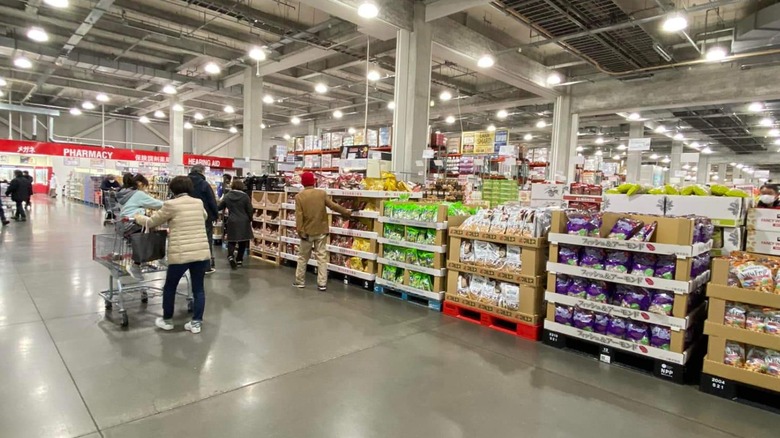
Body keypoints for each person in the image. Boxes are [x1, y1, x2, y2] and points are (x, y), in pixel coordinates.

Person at [134, 176, 210, 334]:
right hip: (200, 252)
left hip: (180, 253)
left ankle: (167, 320)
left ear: (172, 189)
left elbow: (152, 222)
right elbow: (205, 216)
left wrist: (138, 217)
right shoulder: (198, 202)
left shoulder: (171, 204)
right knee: (198, 289)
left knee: (170, 287)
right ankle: (196, 323)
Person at [294, 172, 352, 291]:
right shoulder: (321, 193)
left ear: (302, 183)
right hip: (321, 230)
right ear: (314, 181)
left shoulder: (299, 197)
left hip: (307, 232)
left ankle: (300, 281)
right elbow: (333, 206)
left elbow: (299, 216)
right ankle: (322, 283)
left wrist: (300, 231)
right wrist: (346, 212)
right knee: (322, 258)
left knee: (303, 258)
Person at [117, 173, 164, 280]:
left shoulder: (123, 193)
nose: (145, 189)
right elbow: (156, 204)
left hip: (123, 225)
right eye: (144, 186)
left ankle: (140, 263)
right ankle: (154, 258)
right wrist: (172, 204)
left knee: (144, 238)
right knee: (152, 234)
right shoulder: (137, 194)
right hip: (134, 224)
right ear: (139, 183)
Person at [188, 164, 219, 274]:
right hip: (204, 216)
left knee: (190, 240)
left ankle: (191, 265)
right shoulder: (204, 184)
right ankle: (206, 266)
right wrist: (215, 215)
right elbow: (211, 201)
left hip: (187, 216)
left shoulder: (184, 183)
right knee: (206, 241)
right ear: (201, 172)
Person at [218, 180, 253, 270]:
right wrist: (250, 219)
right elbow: (250, 209)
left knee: (232, 240)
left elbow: (219, 207)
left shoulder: (227, 196)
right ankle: (239, 260)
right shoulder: (245, 197)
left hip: (232, 220)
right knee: (243, 241)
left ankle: (230, 256)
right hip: (244, 220)